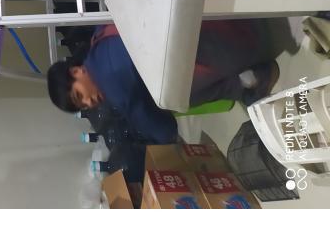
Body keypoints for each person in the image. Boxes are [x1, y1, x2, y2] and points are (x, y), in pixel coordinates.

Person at [47, 20, 281, 143]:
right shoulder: (100, 34)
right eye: (83, 105)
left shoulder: (114, 86)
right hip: (224, 18)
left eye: (79, 95)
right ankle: (244, 81)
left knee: (169, 98)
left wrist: (168, 144)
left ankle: (249, 81)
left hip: (239, 45)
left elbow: (163, 128)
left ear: (76, 71)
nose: (89, 102)